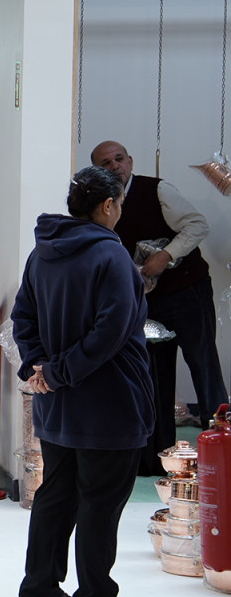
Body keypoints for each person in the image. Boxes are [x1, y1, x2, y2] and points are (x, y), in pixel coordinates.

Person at [10, 166, 152, 597]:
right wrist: (59, 372)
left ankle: (39, 590)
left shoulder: (43, 252)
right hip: (109, 403)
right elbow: (111, 331)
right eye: (120, 203)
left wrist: (40, 368)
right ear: (108, 205)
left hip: (56, 403)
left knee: (57, 493)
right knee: (101, 500)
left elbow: (23, 317)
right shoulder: (111, 256)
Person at [91, 141, 227, 440]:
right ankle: (158, 451)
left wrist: (165, 256)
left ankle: (220, 443)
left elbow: (197, 225)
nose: (115, 166)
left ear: (130, 161)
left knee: (204, 366)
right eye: (106, 163)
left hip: (187, 290)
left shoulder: (157, 190)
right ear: (96, 170)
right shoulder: (102, 205)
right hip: (145, 301)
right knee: (154, 374)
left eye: (119, 159)